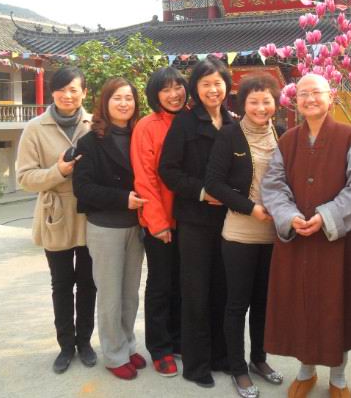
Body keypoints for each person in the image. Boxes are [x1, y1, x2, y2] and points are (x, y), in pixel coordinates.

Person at [261, 73, 351, 398]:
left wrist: (325, 216)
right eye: (303, 94)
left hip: (337, 241)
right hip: (296, 239)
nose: (309, 99)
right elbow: (273, 184)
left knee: (337, 307)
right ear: (295, 101)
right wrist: (289, 216)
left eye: (316, 93)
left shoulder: (350, 138)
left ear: (331, 96)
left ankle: (338, 378)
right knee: (300, 305)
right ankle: (305, 372)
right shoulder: (287, 140)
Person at [205, 73, 284, 398]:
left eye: (267, 101)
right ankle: (238, 368)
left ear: (276, 104)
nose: (261, 107)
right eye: (254, 101)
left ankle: (259, 359)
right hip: (240, 232)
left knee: (264, 302)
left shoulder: (281, 134)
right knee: (237, 304)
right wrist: (251, 209)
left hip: (274, 234)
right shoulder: (229, 135)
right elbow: (214, 183)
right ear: (243, 103)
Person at [159, 56, 233, 388]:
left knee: (222, 289)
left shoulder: (232, 123)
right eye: (205, 84)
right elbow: (169, 170)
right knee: (196, 292)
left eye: (218, 83)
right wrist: (202, 192)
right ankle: (196, 364)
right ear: (196, 89)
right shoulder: (185, 124)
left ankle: (221, 356)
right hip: (194, 220)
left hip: (228, 220)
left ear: (226, 86)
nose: (213, 89)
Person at [16, 67, 97, 374]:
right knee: (62, 284)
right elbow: (25, 177)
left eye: (74, 89)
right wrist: (58, 172)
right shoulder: (35, 128)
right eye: (61, 89)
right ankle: (65, 346)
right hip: (55, 213)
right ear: (52, 92)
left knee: (88, 283)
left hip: (89, 213)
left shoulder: (94, 125)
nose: (67, 95)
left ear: (84, 93)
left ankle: (85, 342)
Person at [72, 78, 146, 380]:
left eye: (129, 98)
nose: (124, 103)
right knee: (110, 295)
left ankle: (127, 344)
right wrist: (122, 198)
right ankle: (114, 355)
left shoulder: (140, 135)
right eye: (117, 98)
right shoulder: (90, 142)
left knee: (130, 293)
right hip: (105, 227)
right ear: (105, 102)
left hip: (136, 226)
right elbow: (83, 188)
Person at [130, 67, 188, 377]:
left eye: (178, 87)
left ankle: (178, 338)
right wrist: (158, 222)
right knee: (161, 284)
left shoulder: (192, 120)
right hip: (161, 221)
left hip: (191, 220)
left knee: (184, 283)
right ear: (155, 95)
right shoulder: (147, 126)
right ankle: (160, 347)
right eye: (166, 89)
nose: (174, 94)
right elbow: (145, 178)